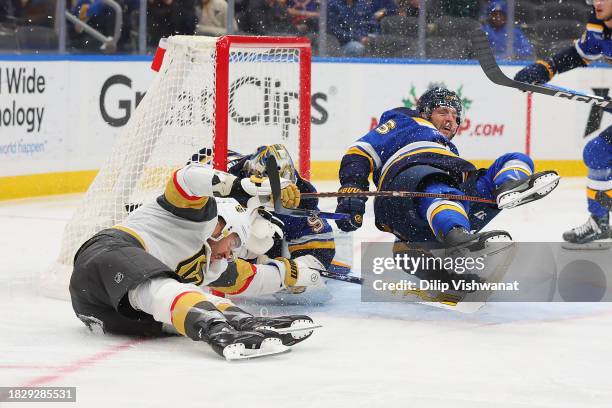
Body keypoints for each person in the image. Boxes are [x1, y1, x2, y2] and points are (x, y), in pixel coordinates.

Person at [70, 163, 319, 360]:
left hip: (116, 317)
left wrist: (294, 273)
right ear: (223, 225)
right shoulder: (195, 214)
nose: (231, 254)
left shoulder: (212, 266)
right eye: (234, 243)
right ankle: (212, 327)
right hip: (102, 260)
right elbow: (185, 179)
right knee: (164, 287)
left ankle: (241, 320)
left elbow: (251, 276)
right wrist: (244, 186)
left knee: (193, 297)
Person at [334, 87, 559, 280]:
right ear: (424, 113)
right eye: (442, 112)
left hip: (438, 208)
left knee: (514, 159)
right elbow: (359, 152)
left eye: (455, 116)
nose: (450, 120)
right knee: (438, 187)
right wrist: (352, 190)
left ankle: (507, 188)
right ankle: (457, 240)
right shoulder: (404, 121)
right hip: (404, 191)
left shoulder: (447, 149)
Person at [187, 144, 347, 304]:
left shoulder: (297, 203)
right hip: (211, 186)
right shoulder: (219, 181)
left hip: (264, 244)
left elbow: (321, 252)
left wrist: (296, 270)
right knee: (256, 234)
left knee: (264, 237)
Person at [514, 0, 611, 245]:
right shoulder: (598, 25)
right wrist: (547, 68)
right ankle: (599, 223)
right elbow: (580, 53)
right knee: (598, 153)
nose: (597, 2)